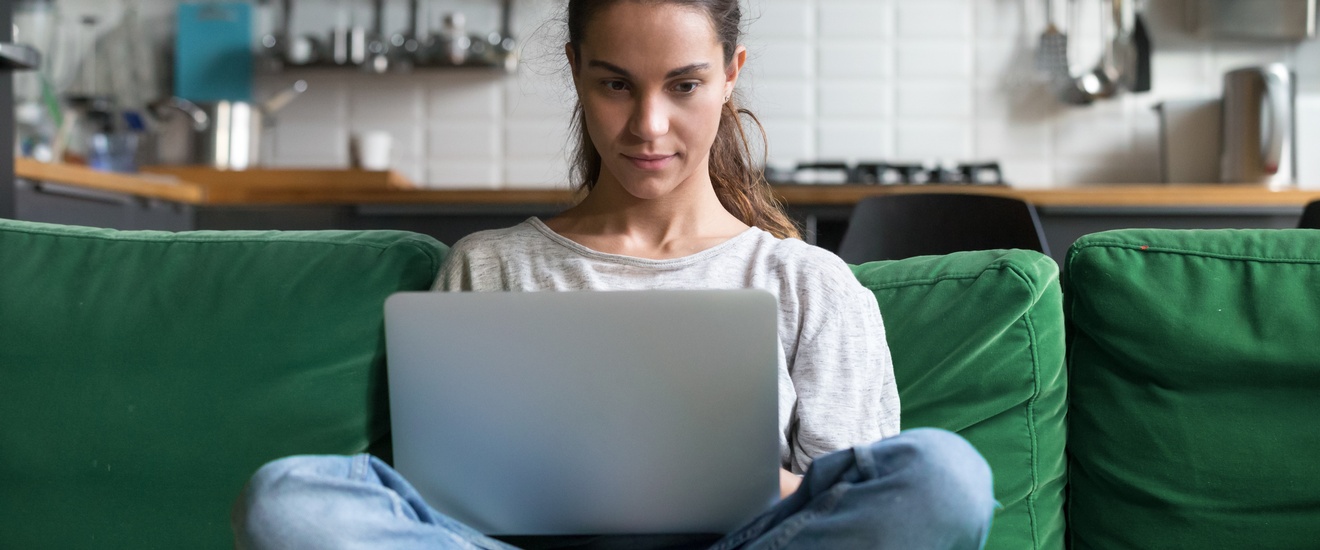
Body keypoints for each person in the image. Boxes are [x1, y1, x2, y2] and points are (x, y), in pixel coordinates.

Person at [232, 0, 995, 548]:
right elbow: (443, 505)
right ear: (576, 72)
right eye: (616, 83)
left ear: (731, 75)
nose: (648, 126)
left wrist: (726, 482)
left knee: (945, 475)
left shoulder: (809, 282)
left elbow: (851, 504)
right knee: (290, 497)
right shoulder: (490, 266)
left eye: (684, 85)